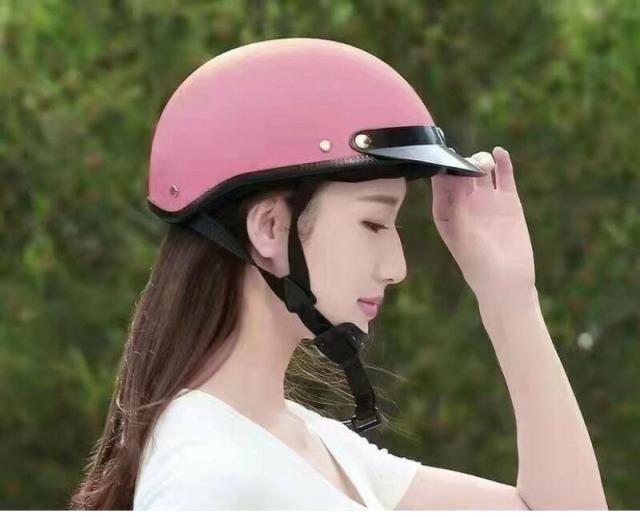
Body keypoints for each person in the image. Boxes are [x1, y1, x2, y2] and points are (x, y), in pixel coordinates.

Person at [71, 38, 606, 511]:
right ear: (270, 227)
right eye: (373, 223)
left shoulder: (303, 442)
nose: (397, 268)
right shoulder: (213, 480)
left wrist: (509, 295)